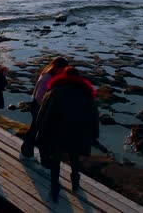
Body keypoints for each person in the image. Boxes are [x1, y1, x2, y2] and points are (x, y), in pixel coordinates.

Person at [35, 67, 99, 203]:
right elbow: (94, 116)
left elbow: (43, 114)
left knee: (55, 160)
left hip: (57, 133)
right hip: (78, 134)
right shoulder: (87, 93)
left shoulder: (55, 91)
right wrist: (94, 135)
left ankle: (54, 189)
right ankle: (75, 182)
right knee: (74, 158)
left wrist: (40, 134)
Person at [21, 57, 69, 159]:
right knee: (35, 129)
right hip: (38, 107)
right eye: (62, 69)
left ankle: (28, 151)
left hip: (39, 106)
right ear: (57, 67)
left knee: (35, 129)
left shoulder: (50, 75)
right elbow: (39, 97)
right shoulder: (47, 78)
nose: (63, 72)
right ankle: (27, 151)